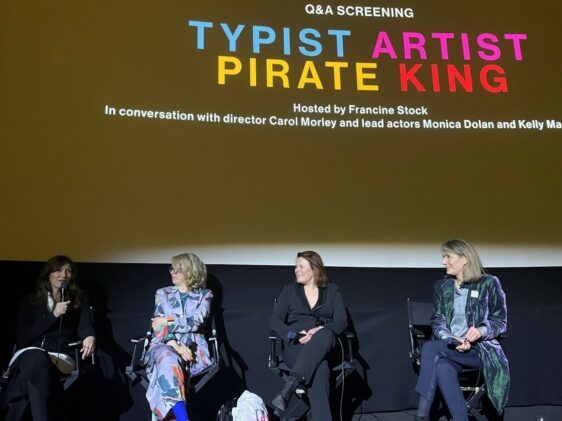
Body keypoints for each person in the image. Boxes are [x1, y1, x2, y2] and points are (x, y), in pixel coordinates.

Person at [414, 239, 510, 421]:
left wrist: (481, 331)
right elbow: (437, 320)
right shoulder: (442, 287)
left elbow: (500, 321)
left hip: (480, 351)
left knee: (429, 348)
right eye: (443, 257)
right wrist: (451, 338)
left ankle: (421, 416)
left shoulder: (488, 283)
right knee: (442, 367)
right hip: (451, 348)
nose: (443, 262)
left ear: (465, 259)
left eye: (448, 257)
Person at [0, 255, 96, 421]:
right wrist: (53, 315)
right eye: (58, 270)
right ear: (48, 274)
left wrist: (90, 335)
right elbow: (23, 337)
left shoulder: (77, 299)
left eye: (68, 271)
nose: (64, 274)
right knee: (34, 360)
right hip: (31, 355)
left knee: (24, 376)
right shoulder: (30, 301)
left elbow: (85, 324)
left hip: (61, 357)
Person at [270, 251, 347, 421]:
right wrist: (293, 335)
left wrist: (319, 330)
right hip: (297, 346)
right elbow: (275, 321)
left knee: (326, 334)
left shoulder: (332, 290)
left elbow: (342, 321)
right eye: (296, 266)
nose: (296, 270)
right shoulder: (289, 290)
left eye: (301, 266)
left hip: (325, 345)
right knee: (321, 368)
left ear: (315, 269)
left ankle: (289, 387)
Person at [144, 253, 213, 421]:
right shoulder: (162, 293)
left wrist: (166, 320)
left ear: (190, 271)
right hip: (163, 343)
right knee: (168, 357)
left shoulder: (205, 295)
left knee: (168, 366)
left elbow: (196, 322)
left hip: (194, 348)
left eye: (177, 269)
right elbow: (157, 326)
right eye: (171, 268)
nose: (172, 272)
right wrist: (176, 347)